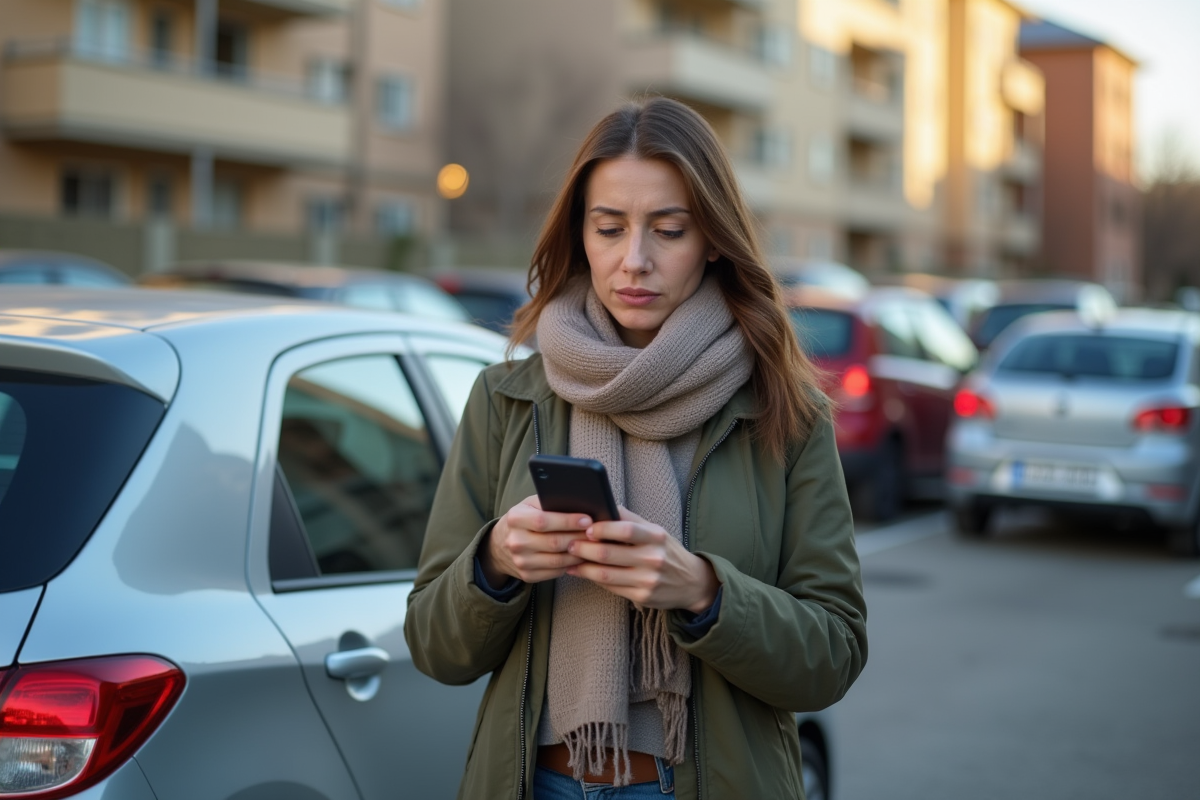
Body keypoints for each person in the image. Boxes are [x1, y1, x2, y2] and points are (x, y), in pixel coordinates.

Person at [404, 96, 867, 800]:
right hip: (537, 784)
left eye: (669, 230)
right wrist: (495, 563)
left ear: (712, 238)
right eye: (609, 228)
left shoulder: (784, 411)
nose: (634, 260)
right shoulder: (507, 399)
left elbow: (834, 654)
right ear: (580, 234)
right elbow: (435, 647)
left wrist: (705, 593)